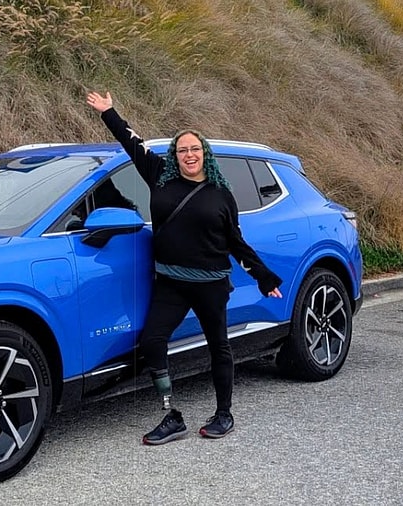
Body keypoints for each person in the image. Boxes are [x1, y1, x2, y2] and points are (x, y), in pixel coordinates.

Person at [85, 90, 283, 444]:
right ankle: (170, 413)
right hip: (170, 282)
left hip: (210, 283)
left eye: (194, 149)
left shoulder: (221, 194)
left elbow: (236, 242)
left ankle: (224, 413)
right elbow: (133, 143)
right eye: (182, 150)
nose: (188, 155)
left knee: (218, 345)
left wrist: (264, 276)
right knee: (152, 341)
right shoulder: (160, 175)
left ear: (204, 154)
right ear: (174, 155)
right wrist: (109, 112)